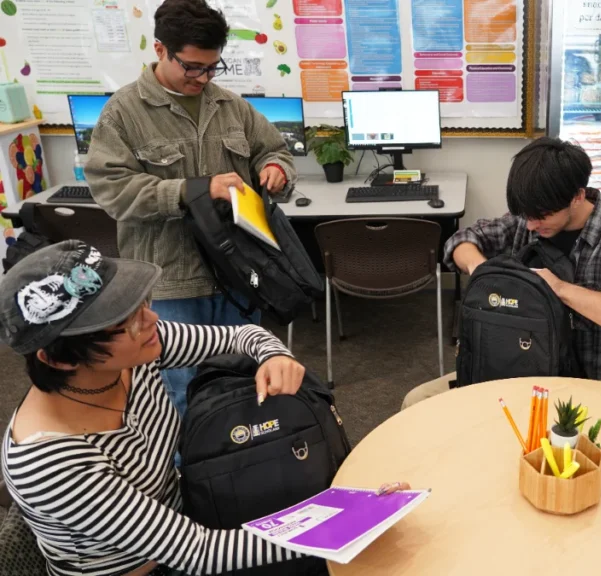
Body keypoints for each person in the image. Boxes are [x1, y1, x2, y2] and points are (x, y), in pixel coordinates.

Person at [0, 241, 407, 575]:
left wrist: (273, 356)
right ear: (59, 359)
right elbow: (200, 552)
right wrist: (345, 520)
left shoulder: (132, 355)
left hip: (186, 519)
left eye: (141, 304)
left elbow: (243, 335)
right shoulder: (49, 459)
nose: (151, 319)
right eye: (127, 323)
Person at [85, 0, 296, 416]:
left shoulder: (230, 105)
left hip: (237, 274)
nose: (203, 78)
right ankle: (189, 478)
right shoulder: (123, 113)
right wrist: (192, 191)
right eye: (192, 67)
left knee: (248, 382)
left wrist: (275, 168)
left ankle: (248, 466)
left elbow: (274, 148)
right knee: (183, 395)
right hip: (171, 283)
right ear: (161, 50)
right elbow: (113, 190)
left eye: (212, 67)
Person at [402, 137, 601, 408]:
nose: (530, 225)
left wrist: (559, 289)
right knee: (415, 403)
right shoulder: (528, 220)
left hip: (585, 393)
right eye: (526, 215)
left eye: (540, 216)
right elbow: (460, 241)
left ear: (577, 196)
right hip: (515, 370)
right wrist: (483, 272)